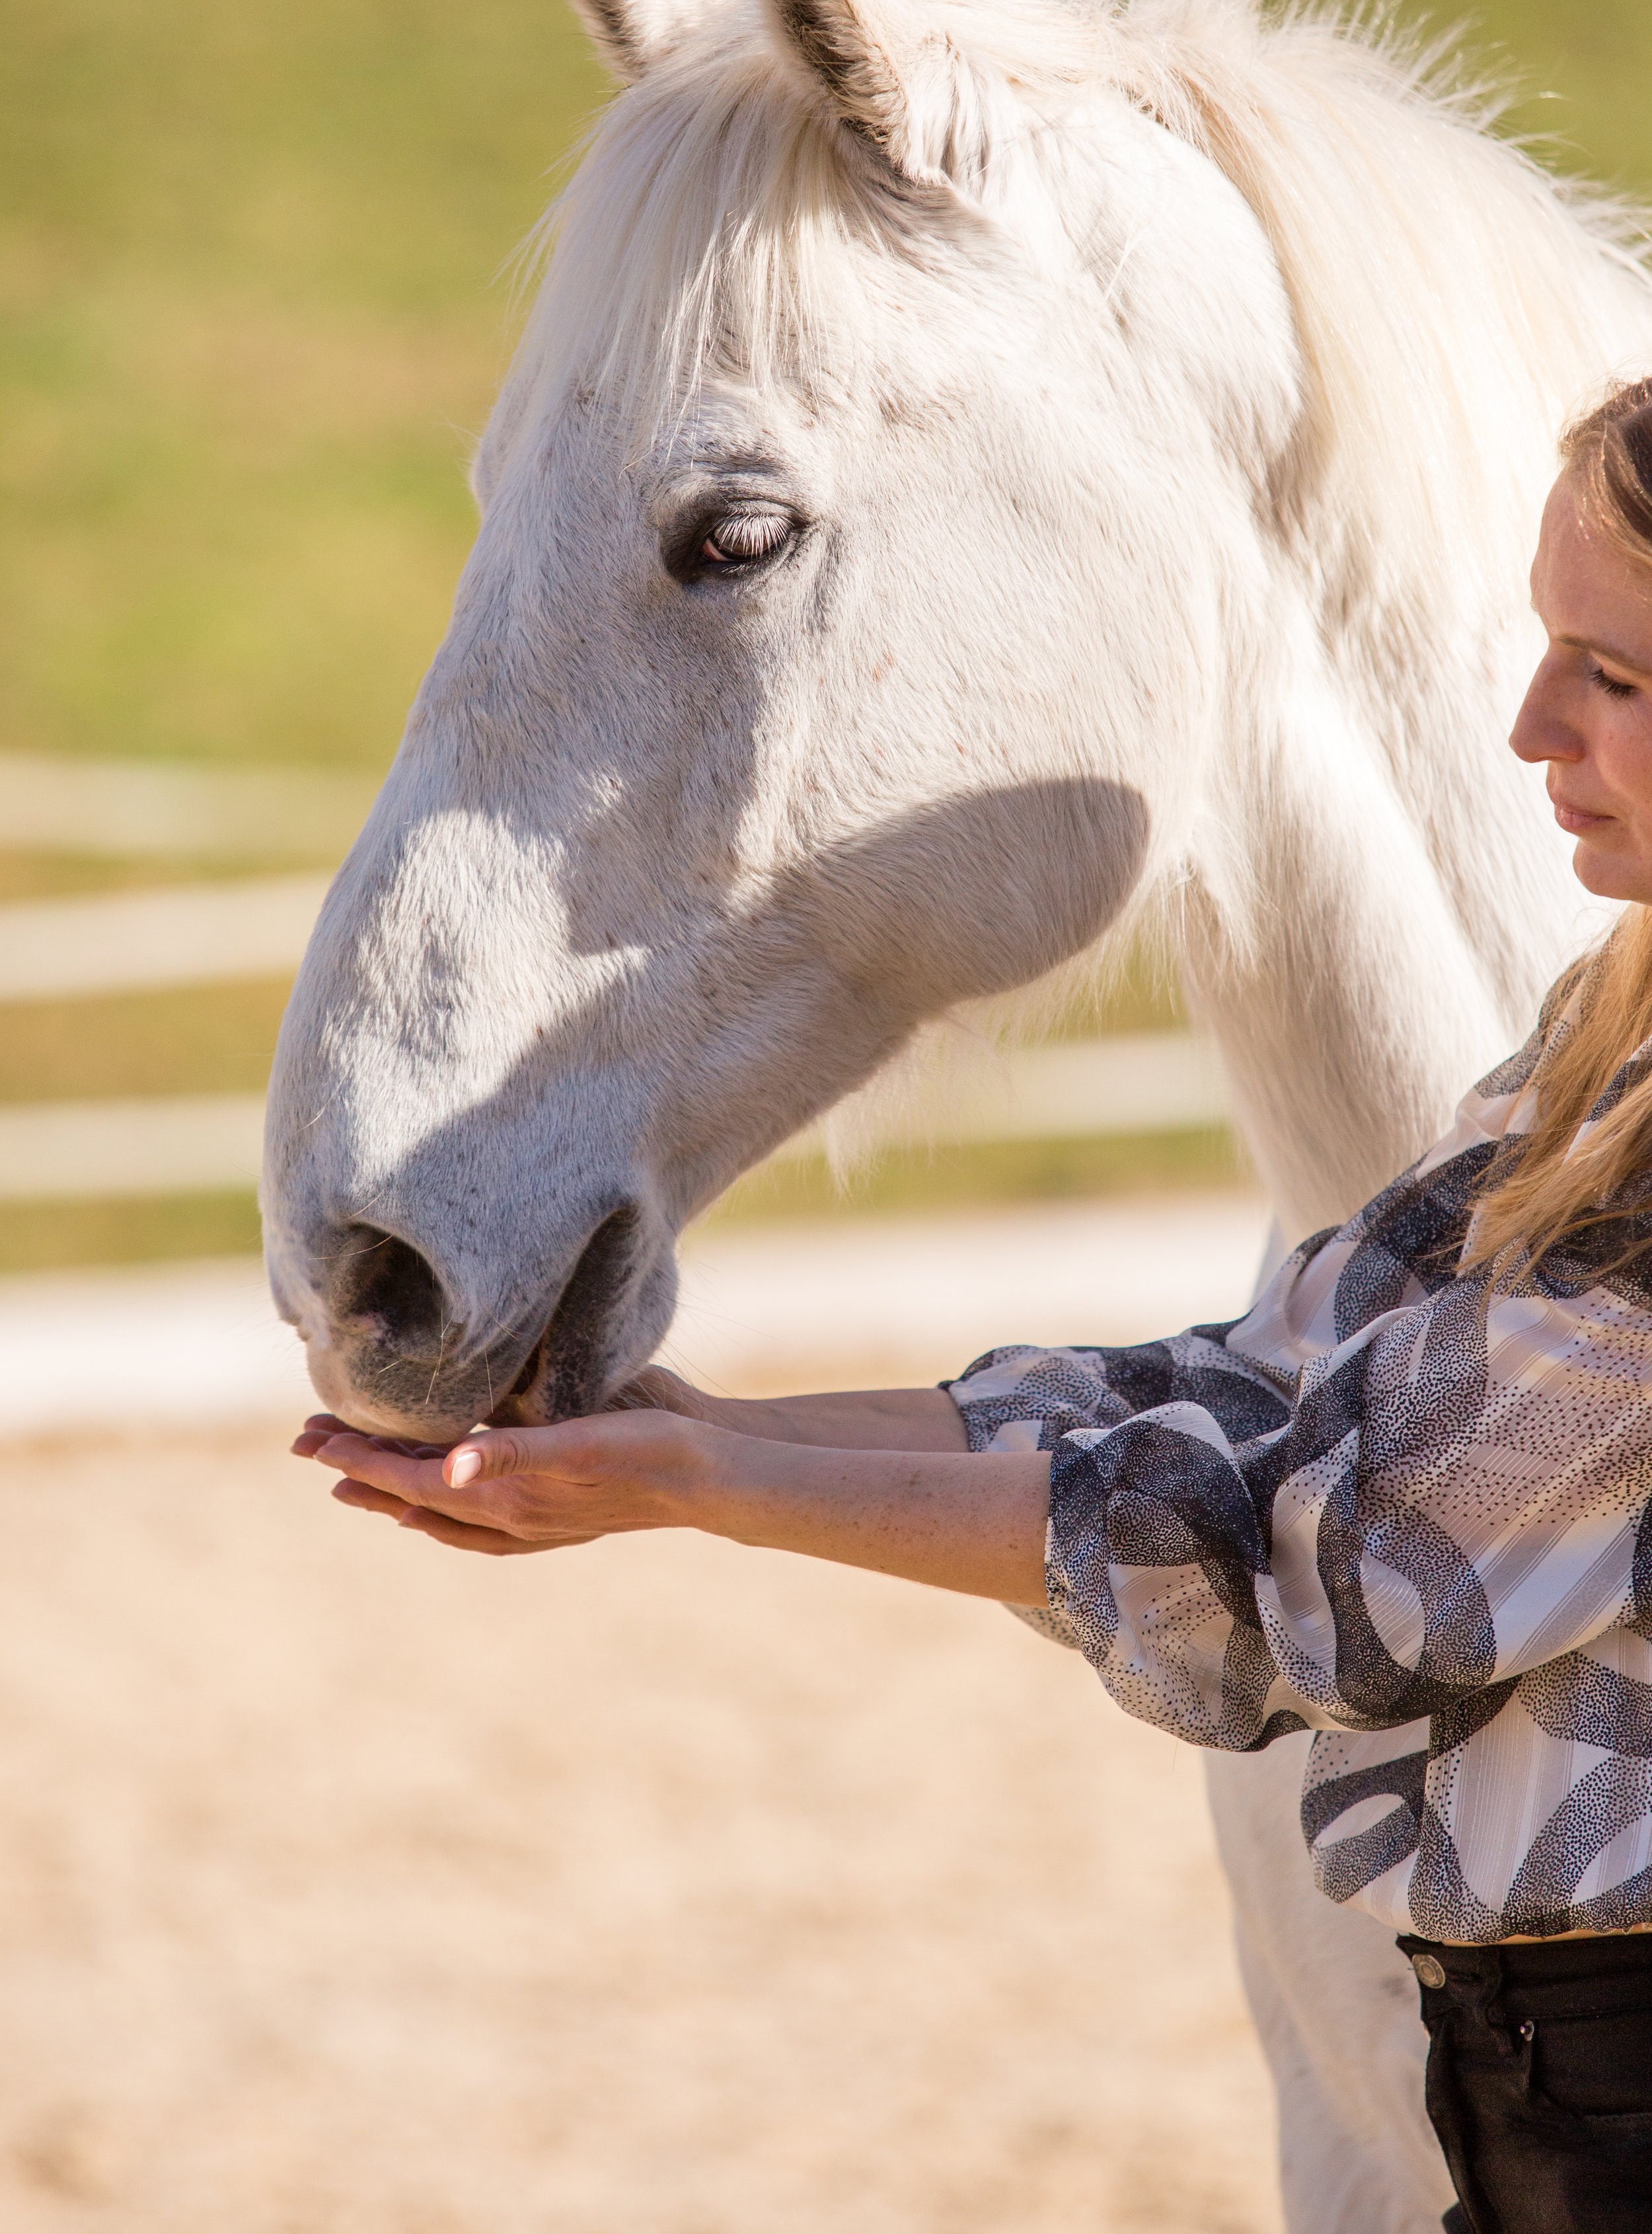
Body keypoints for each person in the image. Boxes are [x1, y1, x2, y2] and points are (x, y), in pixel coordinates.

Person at [295, 379, 1652, 2233]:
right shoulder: (1604, 1047)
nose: (1526, 726)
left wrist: (706, 1493)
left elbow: (1335, 1577)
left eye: (1615, 678)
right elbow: (1267, 1377)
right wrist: (706, 1429)